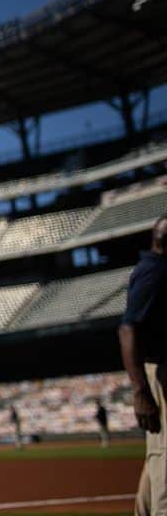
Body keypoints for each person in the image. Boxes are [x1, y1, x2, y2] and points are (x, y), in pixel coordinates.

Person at [119, 216, 167, 516]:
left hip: (159, 370)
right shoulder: (155, 272)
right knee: (165, 456)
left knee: (158, 455)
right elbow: (128, 329)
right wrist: (140, 391)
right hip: (162, 372)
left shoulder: (156, 268)